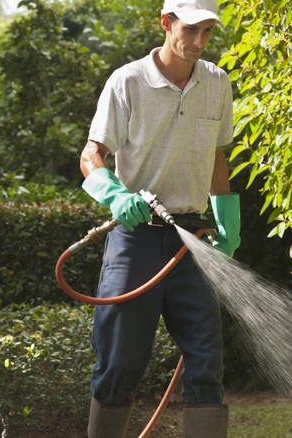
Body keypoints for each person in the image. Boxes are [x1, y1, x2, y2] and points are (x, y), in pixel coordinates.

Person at [78, 0, 240, 437]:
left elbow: (217, 156)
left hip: (192, 236)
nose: (200, 42)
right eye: (191, 30)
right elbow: (91, 155)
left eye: (208, 32)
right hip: (137, 237)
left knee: (207, 358)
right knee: (119, 361)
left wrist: (227, 222)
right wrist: (113, 195)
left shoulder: (217, 83)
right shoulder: (127, 81)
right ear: (166, 24)